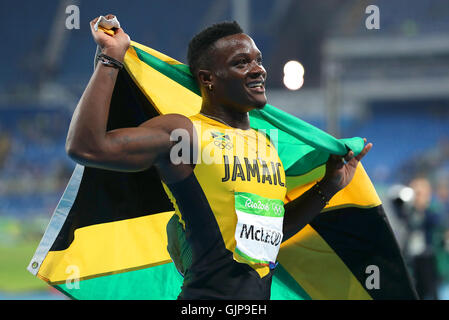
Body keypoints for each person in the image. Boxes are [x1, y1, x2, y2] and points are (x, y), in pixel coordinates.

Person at [65, 14, 372, 300]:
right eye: (242, 62)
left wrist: (326, 189)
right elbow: (87, 147)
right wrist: (110, 57)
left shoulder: (265, 144)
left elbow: (270, 234)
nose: (258, 69)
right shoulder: (184, 134)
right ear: (208, 78)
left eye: (258, 60)